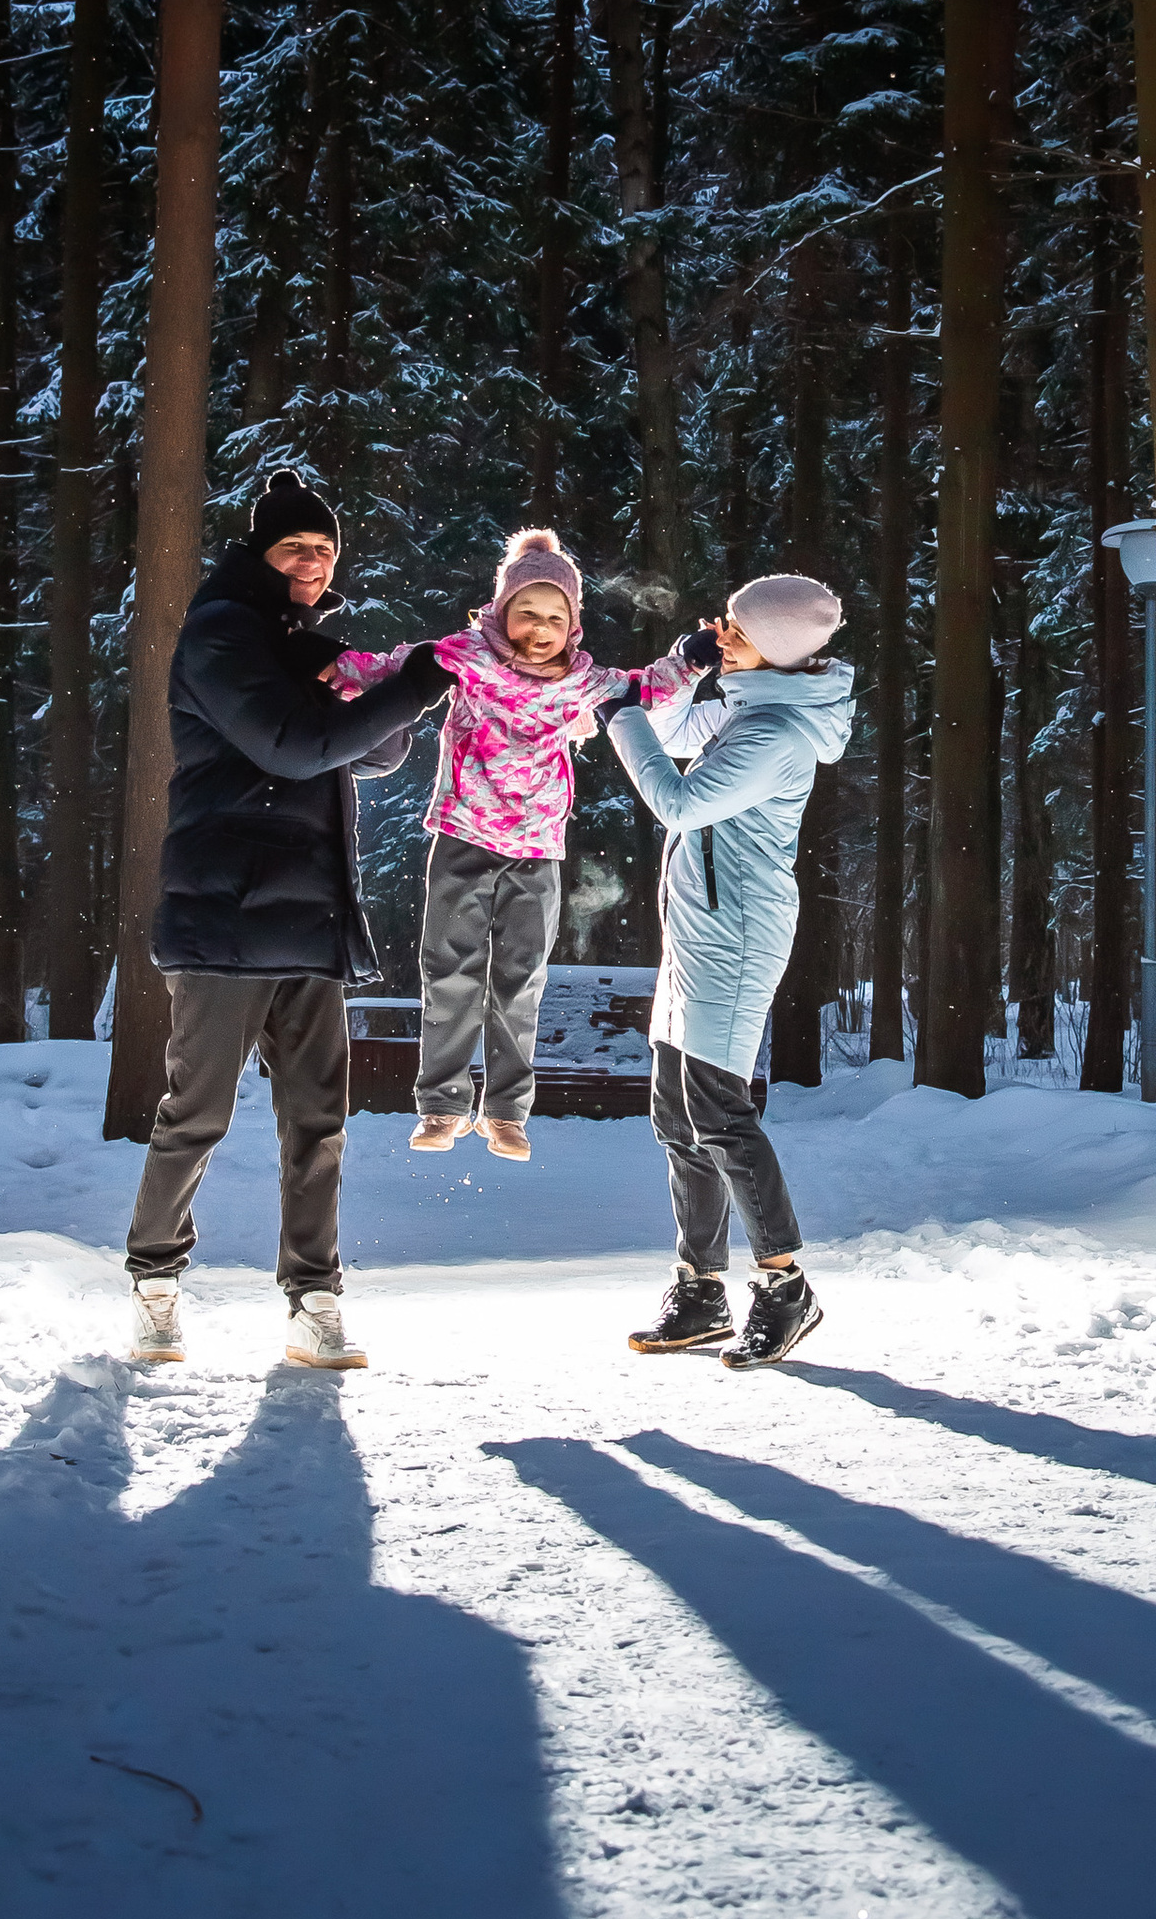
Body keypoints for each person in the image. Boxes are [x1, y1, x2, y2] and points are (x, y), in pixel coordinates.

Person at [123, 469, 450, 1369]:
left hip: (309, 916)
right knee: (197, 1114)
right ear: (258, 553)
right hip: (226, 917)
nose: (312, 562)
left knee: (318, 1123)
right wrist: (410, 689)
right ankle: (154, 1284)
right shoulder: (223, 632)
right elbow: (294, 747)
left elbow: (372, 753)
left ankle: (315, 1299)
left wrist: (383, 693)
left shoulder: (300, 641)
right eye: (294, 547)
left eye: (325, 549)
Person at [326, 527, 703, 1160]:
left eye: (556, 615)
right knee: (450, 970)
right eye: (528, 610)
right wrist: (335, 669)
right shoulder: (465, 657)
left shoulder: (582, 680)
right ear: (502, 611)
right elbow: (391, 669)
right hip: (464, 834)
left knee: (520, 979)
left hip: (537, 846)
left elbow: (647, 688)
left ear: (572, 625)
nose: (540, 626)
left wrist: (692, 657)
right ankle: (443, 1106)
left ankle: (505, 1112)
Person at [601, 572, 854, 1368]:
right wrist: (686, 667)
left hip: (736, 936)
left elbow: (677, 802)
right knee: (676, 1116)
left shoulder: (775, 733)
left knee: (718, 1113)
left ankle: (785, 1286)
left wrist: (619, 714)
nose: (721, 630)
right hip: (697, 930)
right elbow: (675, 730)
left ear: (776, 649)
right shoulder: (751, 707)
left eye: (737, 629)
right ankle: (701, 1289)